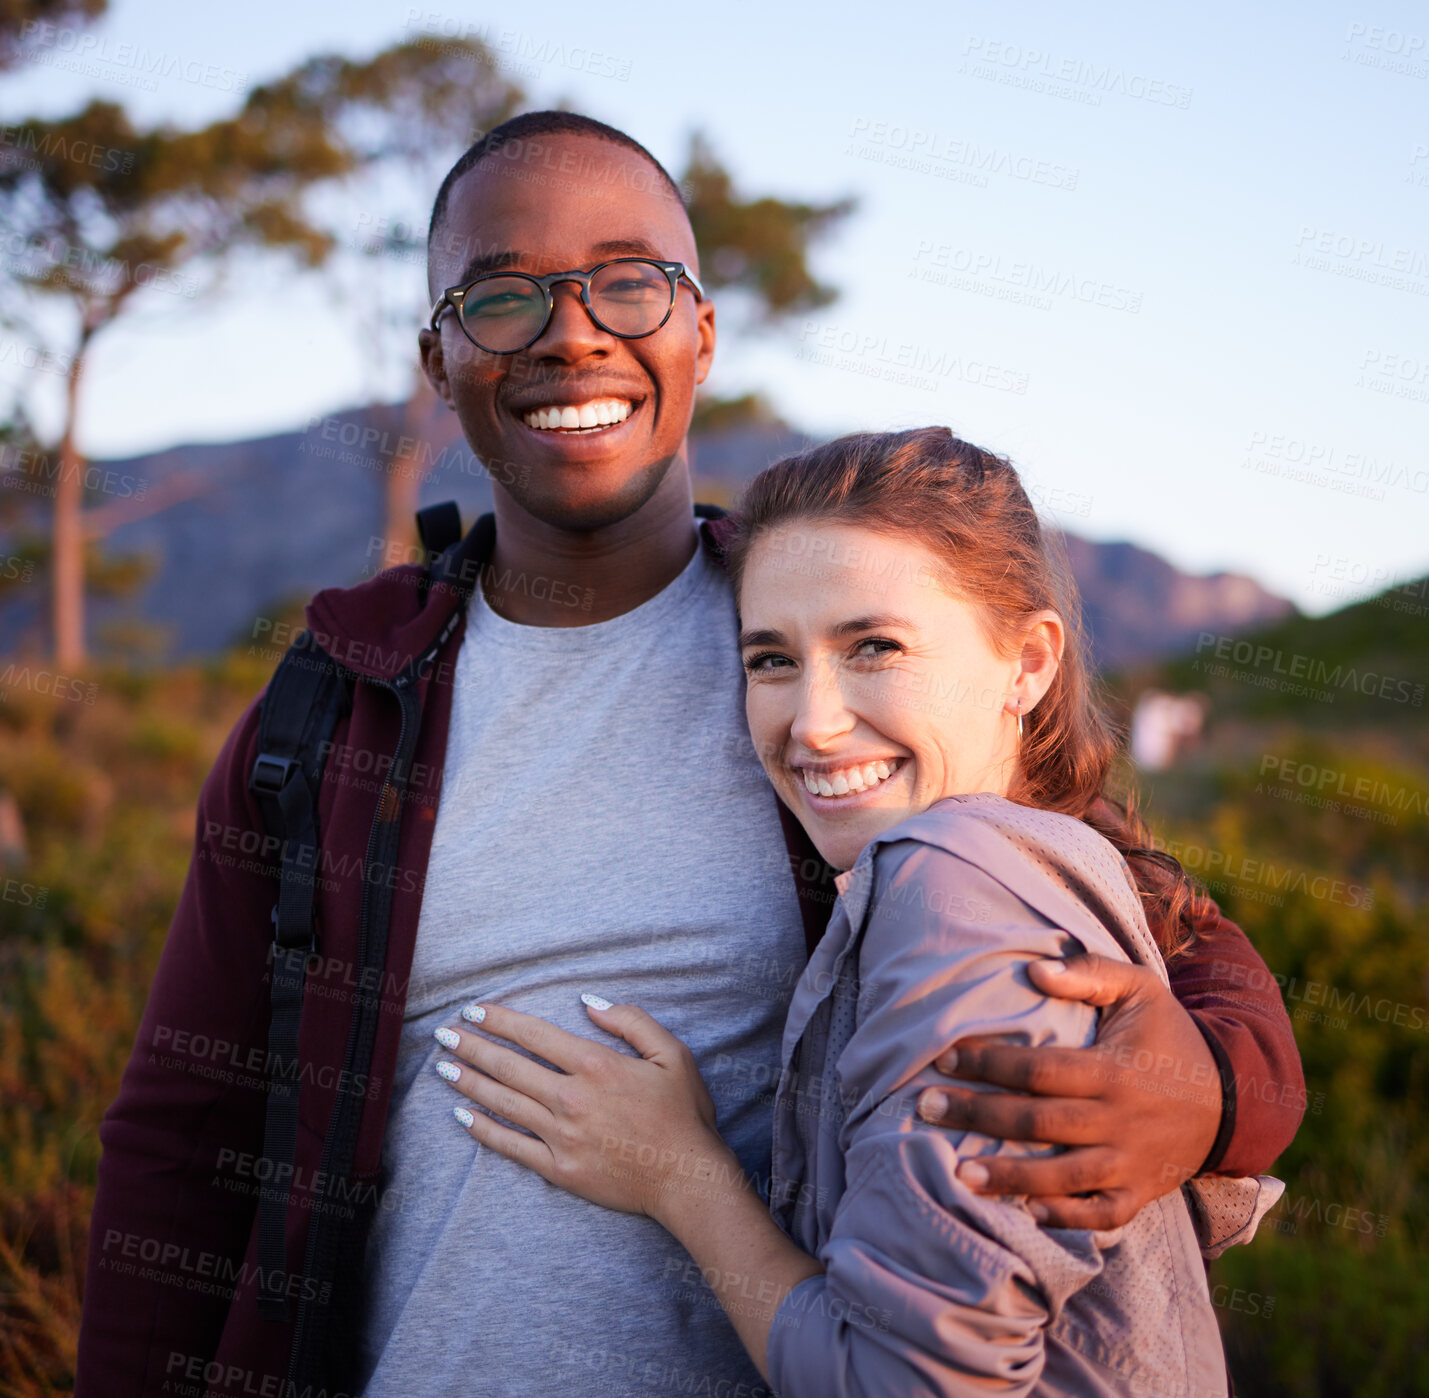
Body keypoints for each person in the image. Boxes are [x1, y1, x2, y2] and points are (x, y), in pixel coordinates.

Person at [76, 114, 1302, 1398]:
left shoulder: (827, 661)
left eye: (627, 280)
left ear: (700, 330)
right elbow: (180, 1133)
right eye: (502, 295)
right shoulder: (336, 708)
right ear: (439, 359)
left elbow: (1174, 942)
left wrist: (1212, 1094)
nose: (571, 332)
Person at [428, 427, 1286, 1394]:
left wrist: (680, 1176)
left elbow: (902, 1382)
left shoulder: (952, 882)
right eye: (770, 661)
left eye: (874, 646)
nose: (814, 723)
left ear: (1029, 662)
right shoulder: (1036, 861)